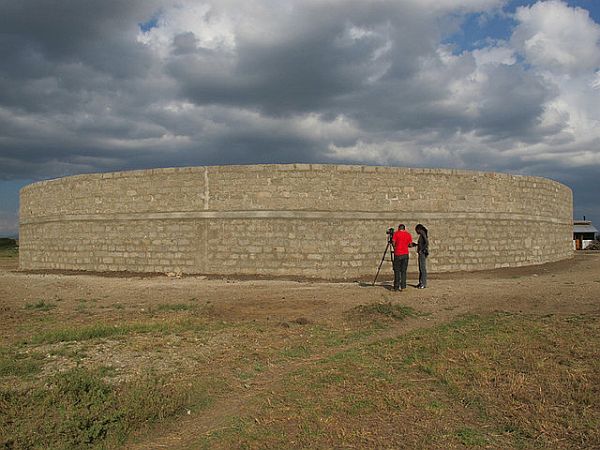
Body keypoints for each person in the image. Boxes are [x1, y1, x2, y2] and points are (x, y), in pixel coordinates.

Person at [391, 224, 413, 291]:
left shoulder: (396, 234)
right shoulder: (408, 234)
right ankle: (403, 286)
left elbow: (393, 242)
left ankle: (396, 286)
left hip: (398, 254)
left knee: (397, 271)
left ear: (399, 228)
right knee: (403, 271)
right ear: (404, 228)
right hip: (405, 254)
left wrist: (395, 247)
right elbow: (410, 245)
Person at [415, 224, 429, 289]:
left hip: (422, 253)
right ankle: (421, 282)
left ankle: (423, 283)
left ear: (419, 229)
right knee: (421, 268)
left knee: (422, 268)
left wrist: (422, 249)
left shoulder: (423, 233)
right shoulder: (422, 234)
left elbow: (426, 242)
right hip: (421, 252)